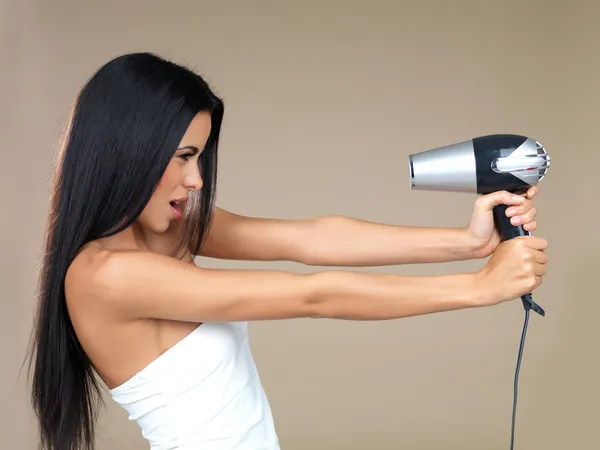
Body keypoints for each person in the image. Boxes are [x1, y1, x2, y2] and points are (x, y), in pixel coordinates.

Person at [27, 52, 548, 450]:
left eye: (201, 157)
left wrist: (466, 243)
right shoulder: (104, 277)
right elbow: (311, 296)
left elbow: (310, 239)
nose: (196, 180)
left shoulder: (170, 232)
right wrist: (480, 287)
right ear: (129, 150)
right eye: (184, 157)